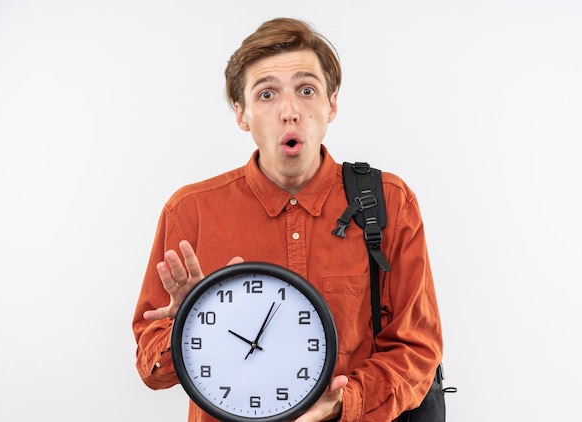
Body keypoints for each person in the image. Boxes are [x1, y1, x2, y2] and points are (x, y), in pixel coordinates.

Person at [132, 17, 442, 422]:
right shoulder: (189, 211)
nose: (289, 111)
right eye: (266, 94)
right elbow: (150, 371)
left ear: (331, 103)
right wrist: (190, 318)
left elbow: (417, 349)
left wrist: (340, 404)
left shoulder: (390, 202)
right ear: (241, 114)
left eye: (306, 90)